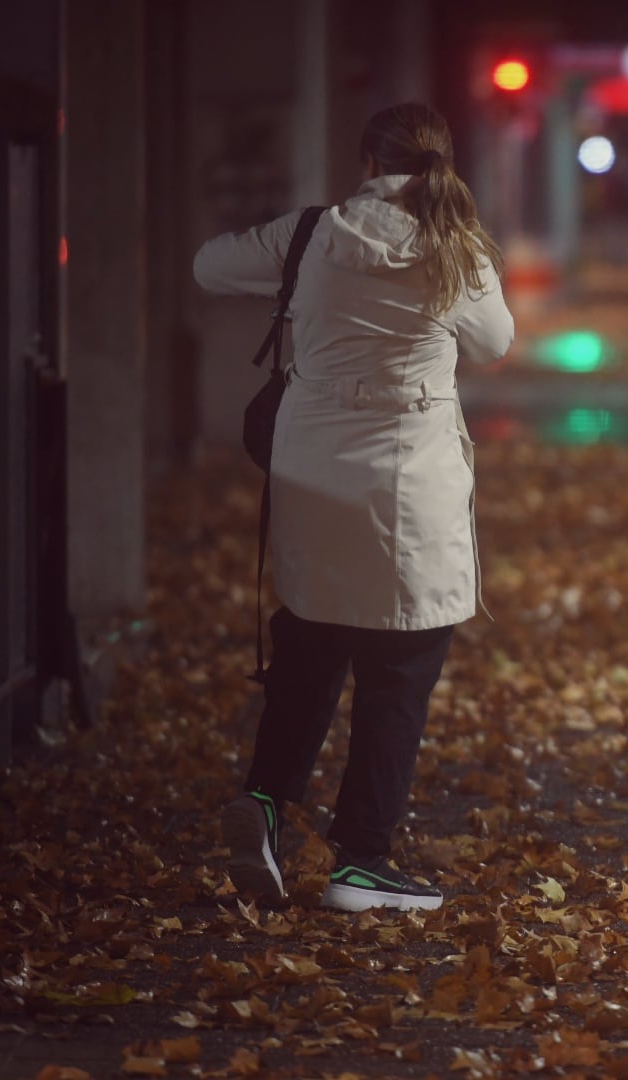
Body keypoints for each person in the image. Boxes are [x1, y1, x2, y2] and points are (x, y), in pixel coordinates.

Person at [193, 103, 513, 912]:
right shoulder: (456, 246)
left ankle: (265, 803)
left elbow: (207, 267)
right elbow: (494, 342)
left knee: (308, 647)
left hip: (311, 479)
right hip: (409, 485)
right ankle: (362, 860)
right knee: (398, 670)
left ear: (368, 162)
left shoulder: (306, 238)